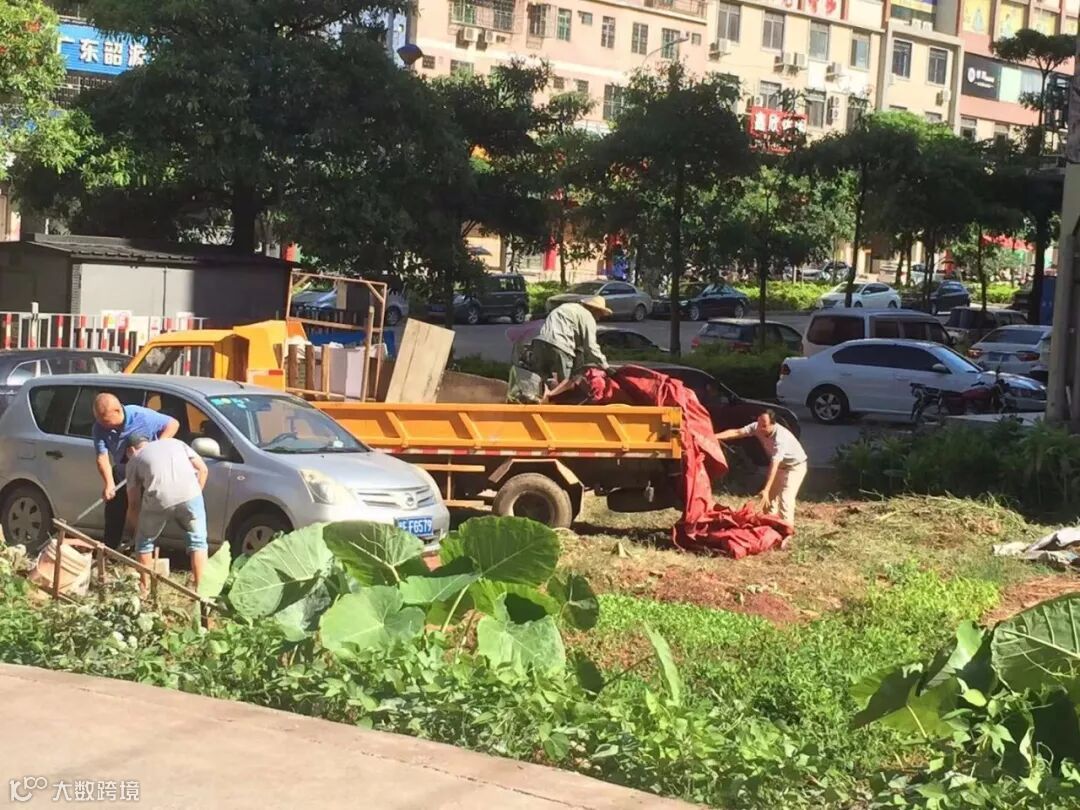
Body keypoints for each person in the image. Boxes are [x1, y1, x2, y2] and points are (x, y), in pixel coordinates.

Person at [92, 394, 179, 549]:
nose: (105, 426)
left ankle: (141, 550)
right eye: (101, 421)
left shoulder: (141, 416)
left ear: (118, 411)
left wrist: (157, 447)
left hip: (146, 476)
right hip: (122, 474)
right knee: (114, 513)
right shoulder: (99, 427)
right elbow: (102, 457)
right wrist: (109, 483)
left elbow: (173, 424)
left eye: (107, 422)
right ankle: (109, 552)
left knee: (144, 515)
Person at [123, 434, 209, 591]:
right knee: (199, 542)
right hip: (191, 494)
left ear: (131, 450)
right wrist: (194, 496)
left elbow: (133, 504)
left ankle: (145, 589)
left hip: (159, 499)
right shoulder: (176, 443)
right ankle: (201, 590)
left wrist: (135, 531)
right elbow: (203, 470)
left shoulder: (134, 459)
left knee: (144, 543)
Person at [715, 410, 808, 527]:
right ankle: (770, 528)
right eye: (759, 423)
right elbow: (737, 432)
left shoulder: (780, 438)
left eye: (764, 426)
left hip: (794, 467)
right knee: (769, 502)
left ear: (773, 424)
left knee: (785, 500)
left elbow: (774, 464)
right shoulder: (757, 427)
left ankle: (787, 531)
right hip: (780, 467)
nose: (760, 428)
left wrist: (766, 489)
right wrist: (714, 436)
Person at [532, 296, 612, 387]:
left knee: (541, 384)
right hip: (560, 346)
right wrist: (606, 367)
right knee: (564, 385)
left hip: (539, 342)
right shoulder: (587, 316)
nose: (598, 318)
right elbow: (591, 346)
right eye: (600, 314)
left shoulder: (567, 307)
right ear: (594, 309)